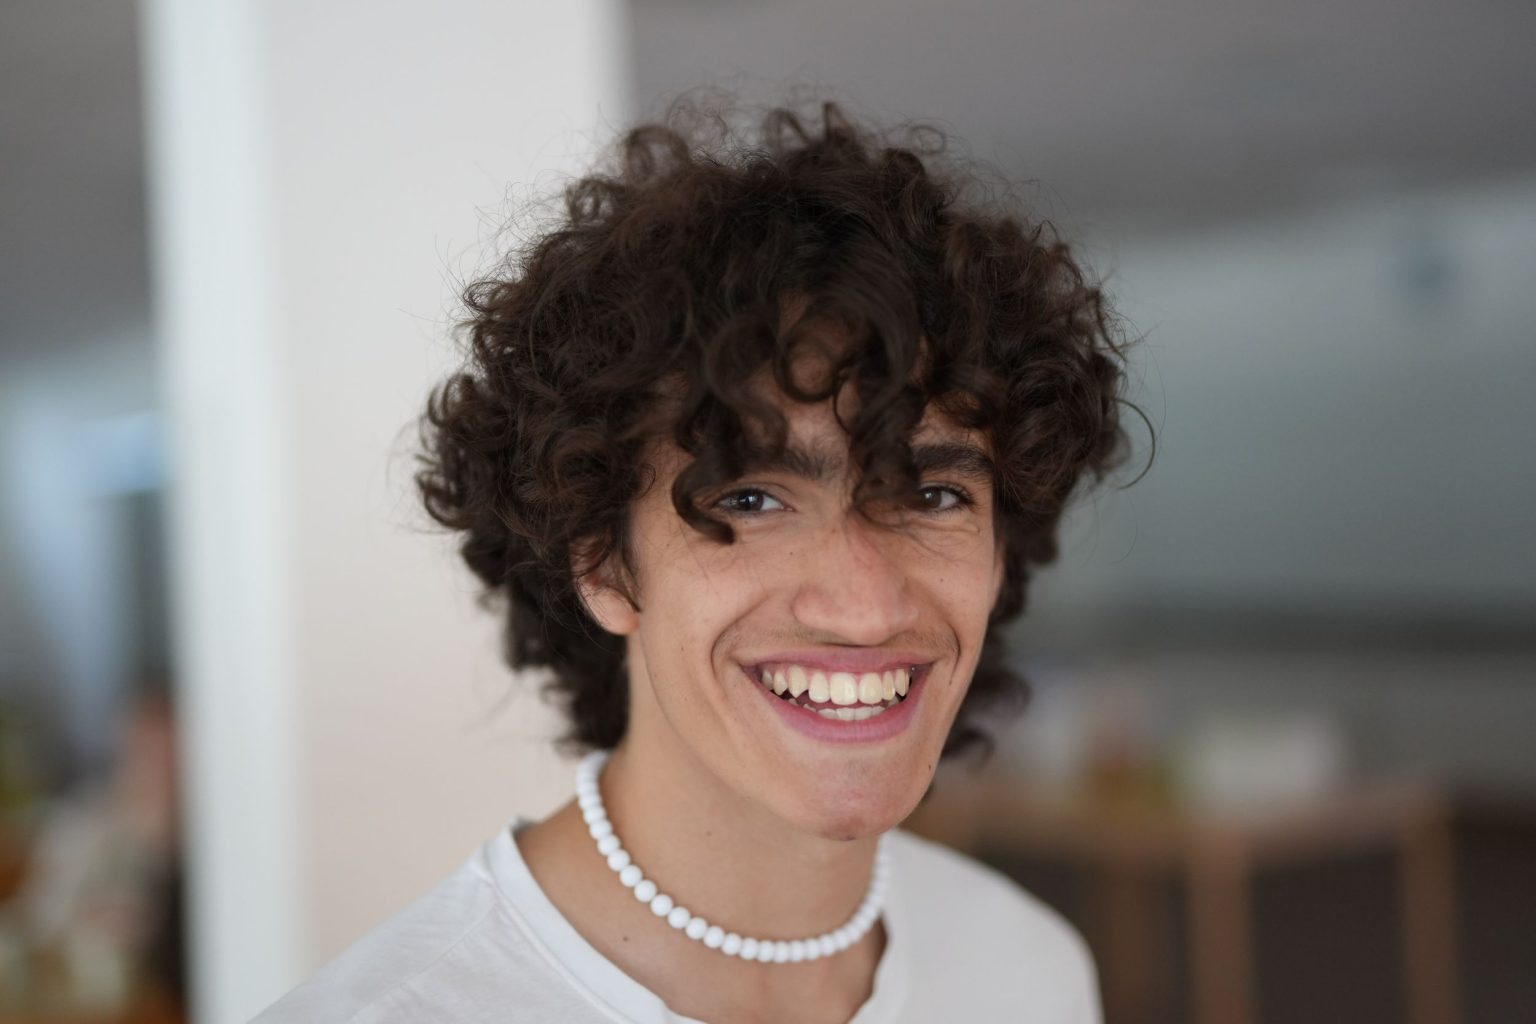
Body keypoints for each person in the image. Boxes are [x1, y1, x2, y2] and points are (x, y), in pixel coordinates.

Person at [253, 97, 1140, 1023]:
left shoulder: (1029, 970)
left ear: (999, 556)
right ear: (603, 561)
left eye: (932, 497)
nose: (867, 607)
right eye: (749, 500)